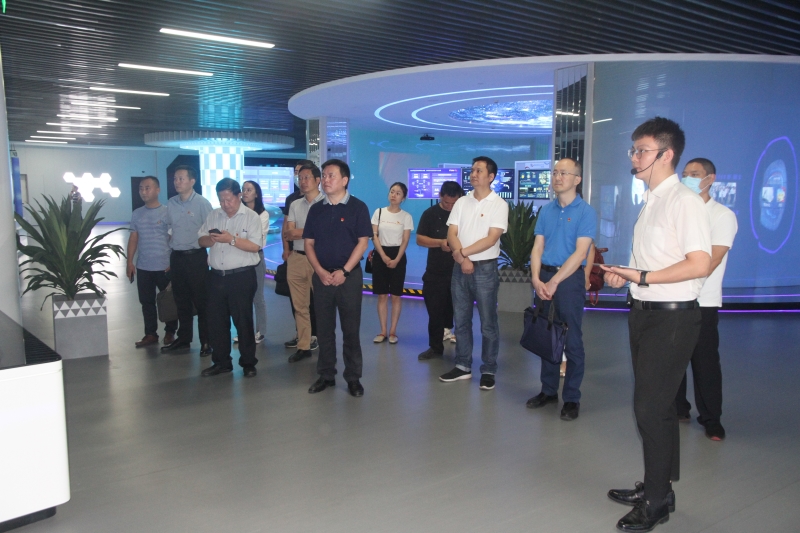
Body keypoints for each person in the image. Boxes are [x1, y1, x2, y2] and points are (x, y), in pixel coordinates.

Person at [602, 117, 711, 532]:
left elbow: (699, 264)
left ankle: (657, 501)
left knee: (649, 408)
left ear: (667, 155)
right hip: (645, 312)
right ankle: (658, 487)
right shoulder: (652, 200)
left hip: (672, 318)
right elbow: (652, 261)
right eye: (633, 150)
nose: (634, 157)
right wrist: (626, 276)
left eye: (642, 150)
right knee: (657, 407)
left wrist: (643, 277)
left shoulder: (684, 201)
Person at [527, 158, 597, 421]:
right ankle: (548, 391)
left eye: (564, 173)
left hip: (568, 280)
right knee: (547, 335)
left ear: (577, 179)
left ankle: (571, 398)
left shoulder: (585, 212)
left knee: (571, 339)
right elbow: (538, 247)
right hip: (544, 276)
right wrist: (536, 278)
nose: (557, 177)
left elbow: (581, 253)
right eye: (555, 172)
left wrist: (554, 282)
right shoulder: (546, 210)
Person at [675, 157, 738, 441]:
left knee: (705, 362)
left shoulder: (722, 215)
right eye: (685, 173)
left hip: (704, 300)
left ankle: (712, 419)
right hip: (673, 298)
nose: (688, 178)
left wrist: (683, 281)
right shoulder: (679, 210)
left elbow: (711, 261)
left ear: (710, 179)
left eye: (695, 174)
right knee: (674, 358)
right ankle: (679, 408)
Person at [302, 159, 372, 397]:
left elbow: (362, 243)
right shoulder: (316, 209)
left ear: (344, 180)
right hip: (322, 277)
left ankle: (353, 378)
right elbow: (308, 243)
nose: (325, 180)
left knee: (351, 329)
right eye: (324, 175)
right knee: (324, 329)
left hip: (348, 278)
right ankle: (326, 375)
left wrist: (344, 271)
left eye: (331, 175)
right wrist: (320, 271)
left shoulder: (358, 207)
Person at [439, 156, 508, 391]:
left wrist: (462, 254)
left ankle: (488, 369)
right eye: (472, 170)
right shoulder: (462, 202)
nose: (473, 174)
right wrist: (462, 258)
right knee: (461, 320)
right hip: (460, 267)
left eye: (479, 170)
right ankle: (462, 366)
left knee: (488, 323)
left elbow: (492, 238)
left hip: (485, 269)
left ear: (491, 176)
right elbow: (452, 232)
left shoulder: (499, 204)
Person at [197, 178, 264, 378]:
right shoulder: (214, 215)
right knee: (216, 322)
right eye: (221, 200)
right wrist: (210, 239)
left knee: (243, 321)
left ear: (239, 196)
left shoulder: (251, 217)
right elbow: (201, 239)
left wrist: (231, 240)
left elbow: (255, 246)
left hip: (241, 277)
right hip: (216, 276)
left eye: (229, 200)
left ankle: (248, 363)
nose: (225, 204)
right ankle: (221, 362)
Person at [162, 165, 213, 356]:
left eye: (181, 178)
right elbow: (170, 229)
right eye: (175, 179)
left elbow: (211, 230)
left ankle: (206, 341)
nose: (177, 182)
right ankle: (184, 340)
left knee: (201, 301)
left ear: (192, 181)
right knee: (181, 301)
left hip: (196, 257)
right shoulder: (171, 203)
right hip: (177, 257)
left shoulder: (202, 203)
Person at [127, 177, 177, 347]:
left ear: (158, 190)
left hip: (164, 266)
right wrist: (129, 262)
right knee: (146, 302)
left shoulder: (167, 212)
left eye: (147, 188)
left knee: (169, 300)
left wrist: (173, 261)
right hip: (144, 266)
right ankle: (150, 334)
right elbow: (133, 238)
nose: (143, 191)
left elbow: (173, 238)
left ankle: (170, 332)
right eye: (141, 188)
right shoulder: (137, 213)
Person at [416, 180, 463, 360]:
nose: (450, 207)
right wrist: (439, 243)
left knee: (461, 311)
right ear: (440, 196)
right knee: (434, 311)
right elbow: (420, 239)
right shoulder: (430, 214)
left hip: (459, 271)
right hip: (435, 272)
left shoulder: (464, 214)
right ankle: (435, 347)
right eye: (446, 203)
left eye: (454, 203)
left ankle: (463, 349)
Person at [284, 162, 325, 363]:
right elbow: (289, 233)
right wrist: (312, 231)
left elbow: (326, 233)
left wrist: (304, 232)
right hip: (297, 257)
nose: (302, 181)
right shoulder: (295, 204)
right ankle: (304, 346)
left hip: (320, 258)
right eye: (300, 178)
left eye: (306, 177)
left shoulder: (327, 203)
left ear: (318, 180)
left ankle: (326, 347)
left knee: (323, 305)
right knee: (300, 306)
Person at [370, 182, 414, 345]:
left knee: (396, 295)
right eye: (392, 191)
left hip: (398, 256)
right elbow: (374, 236)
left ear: (403, 198)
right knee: (382, 295)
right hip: (380, 254)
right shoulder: (378, 212)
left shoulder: (406, 217)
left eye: (398, 193)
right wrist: (382, 255)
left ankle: (393, 331)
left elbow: (405, 240)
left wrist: (396, 259)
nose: (394, 195)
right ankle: (382, 331)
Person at [239, 180, 270, 344]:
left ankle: (261, 331)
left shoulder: (263, 215)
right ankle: (245, 332)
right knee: (242, 298)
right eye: (243, 189)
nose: (245, 193)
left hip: (256, 257)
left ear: (256, 194)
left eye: (249, 190)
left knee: (257, 296)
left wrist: (239, 238)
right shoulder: (238, 212)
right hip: (239, 258)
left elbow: (256, 239)